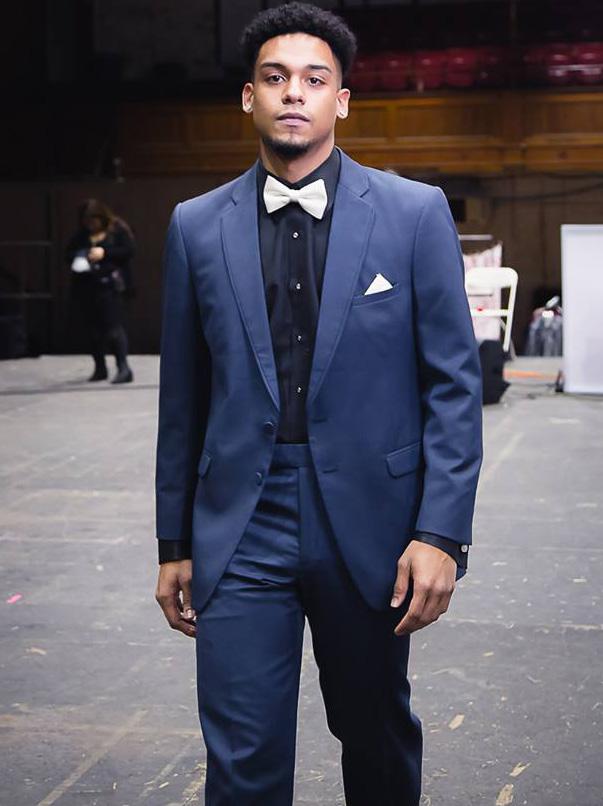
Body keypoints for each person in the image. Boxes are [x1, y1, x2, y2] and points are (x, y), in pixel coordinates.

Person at [154, 4, 483, 804]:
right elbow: (183, 399)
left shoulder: (412, 214)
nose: (293, 92)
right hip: (242, 520)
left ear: (342, 100)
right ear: (248, 97)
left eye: (313, 78)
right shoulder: (195, 226)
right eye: (274, 78)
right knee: (241, 758)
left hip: (371, 521)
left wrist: (440, 533)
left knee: (375, 737)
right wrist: (173, 541)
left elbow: (453, 385)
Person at [65, 198, 135, 384]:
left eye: (93, 220)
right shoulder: (82, 236)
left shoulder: (116, 231)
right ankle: (100, 367)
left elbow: (128, 251)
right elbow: (68, 253)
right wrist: (83, 254)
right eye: (86, 220)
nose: (90, 224)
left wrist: (104, 252)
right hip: (88, 287)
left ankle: (123, 367)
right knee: (93, 331)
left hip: (110, 287)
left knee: (113, 328)